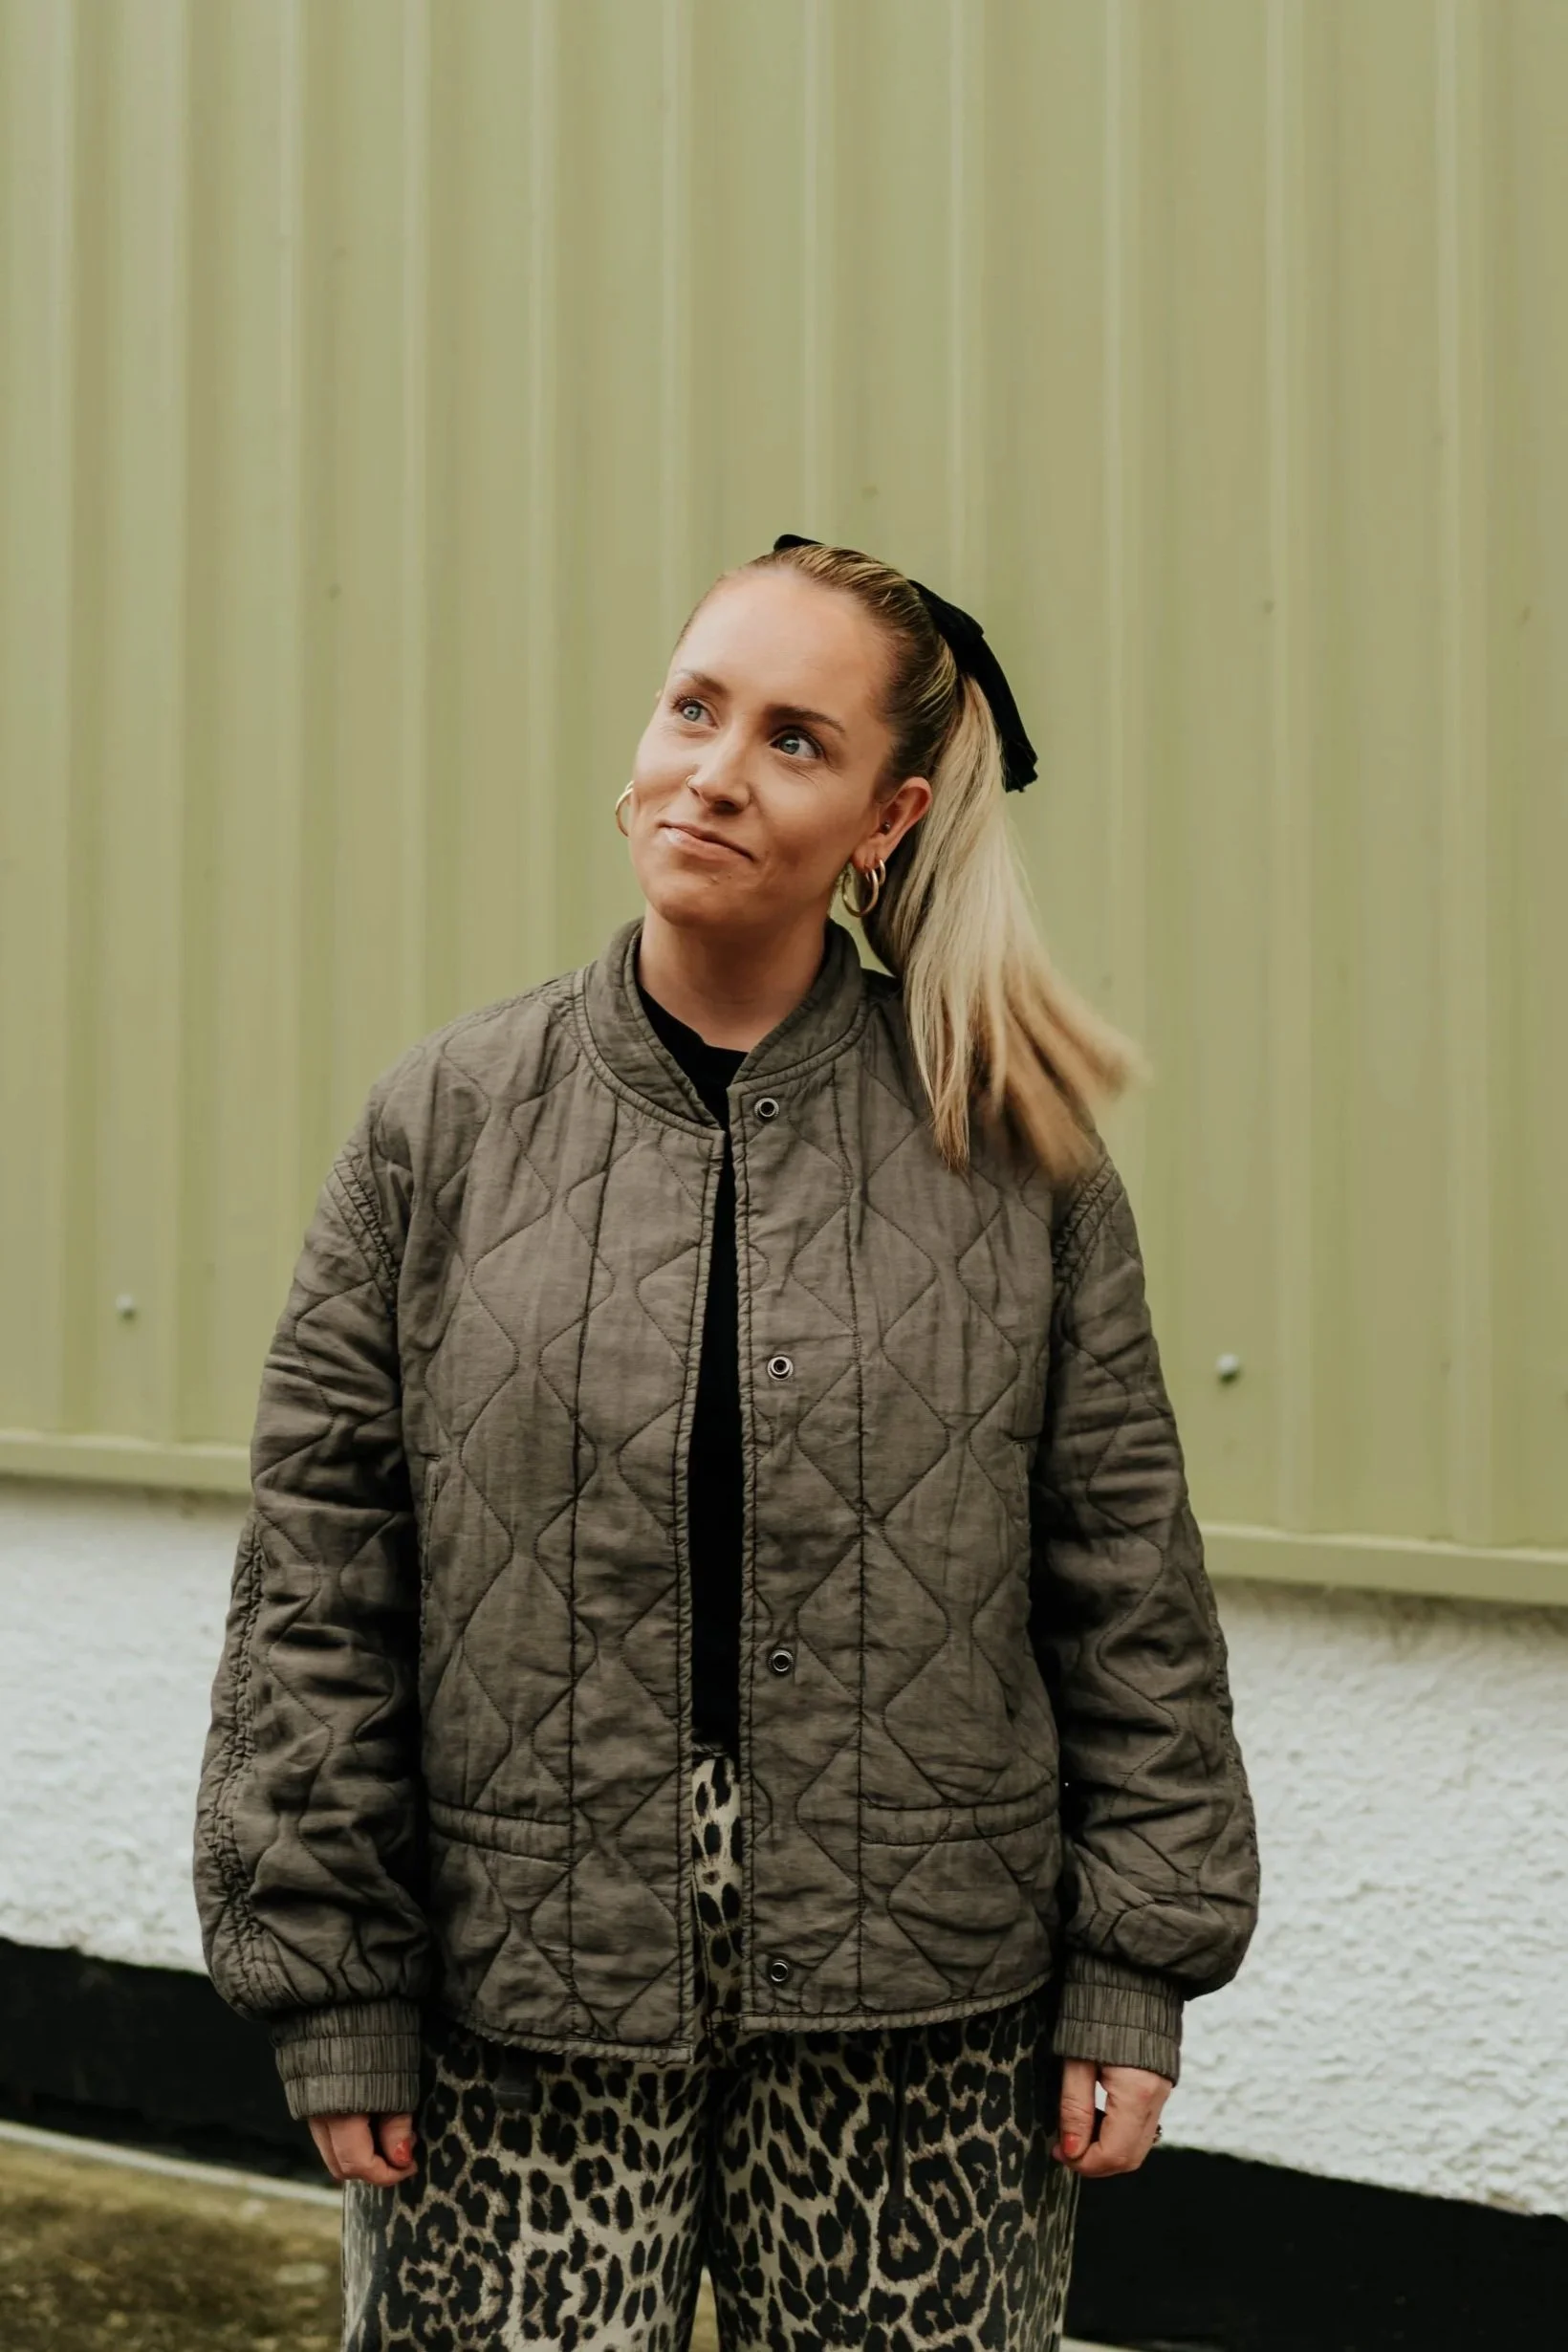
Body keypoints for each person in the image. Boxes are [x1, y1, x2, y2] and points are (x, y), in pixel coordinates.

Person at [195, 534, 1259, 2351]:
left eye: (793, 739)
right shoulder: (440, 1127)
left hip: (926, 2015)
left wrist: (1133, 1970)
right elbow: (321, 1583)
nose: (714, 770)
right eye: (694, 708)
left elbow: (1127, 1592)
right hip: (520, 2005)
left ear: (885, 819)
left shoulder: (1013, 1151)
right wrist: (334, 1980)